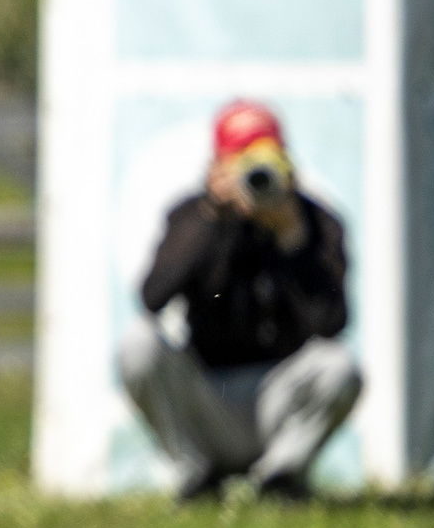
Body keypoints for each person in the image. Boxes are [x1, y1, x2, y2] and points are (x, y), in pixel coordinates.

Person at [119, 100, 361, 501]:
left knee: (340, 368)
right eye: (241, 163)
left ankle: (281, 478)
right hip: (208, 395)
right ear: (216, 166)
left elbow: (332, 326)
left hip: (280, 397)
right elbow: (152, 296)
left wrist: (293, 239)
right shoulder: (192, 217)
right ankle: (193, 473)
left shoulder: (317, 224)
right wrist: (212, 216)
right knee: (137, 344)